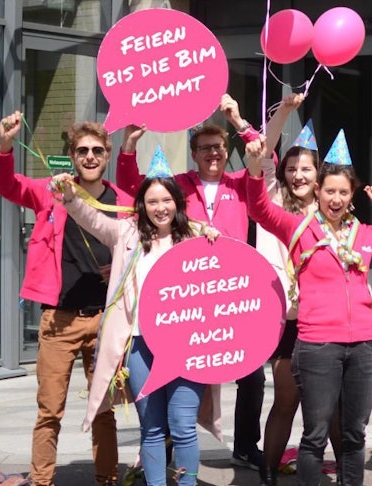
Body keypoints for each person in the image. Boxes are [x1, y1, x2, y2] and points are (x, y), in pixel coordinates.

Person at [244, 130, 372, 486]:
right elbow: (259, 208)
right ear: (318, 192)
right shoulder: (298, 227)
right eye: (329, 191)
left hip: (364, 349)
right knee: (315, 435)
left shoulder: (366, 234)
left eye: (343, 192)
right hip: (318, 345)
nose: (335, 199)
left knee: (353, 436)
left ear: (352, 195)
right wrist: (254, 168)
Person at [116, 94, 268, 475]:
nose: (213, 154)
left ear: (227, 149)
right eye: (204, 148)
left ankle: (246, 447)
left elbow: (267, 160)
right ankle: (161, 455)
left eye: (218, 147)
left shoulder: (241, 183)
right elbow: (135, 188)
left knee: (251, 375)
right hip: (186, 304)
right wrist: (129, 149)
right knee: (170, 407)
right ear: (194, 153)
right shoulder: (179, 186)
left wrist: (237, 118)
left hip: (232, 297)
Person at [54, 160, 221, 486]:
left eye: (167, 200)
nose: (161, 208)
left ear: (178, 201)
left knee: (183, 423)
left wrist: (216, 240)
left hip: (186, 345)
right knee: (153, 425)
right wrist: (70, 197)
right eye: (152, 201)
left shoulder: (198, 235)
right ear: (142, 206)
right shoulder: (125, 233)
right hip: (140, 343)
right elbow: (92, 219)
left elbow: (224, 274)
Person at [0, 112, 126, 486]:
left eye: (96, 150)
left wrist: (117, 263)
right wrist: (5, 145)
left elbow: (141, 241)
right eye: (81, 150)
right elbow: (7, 185)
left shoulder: (122, 199)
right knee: (49, 410)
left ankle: (108, 479)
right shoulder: (52, 190)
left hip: (106, 320)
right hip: (59, 320)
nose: (89, 156)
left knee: (104, 410)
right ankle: (42, 481)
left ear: (106, 155)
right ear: (72, 155)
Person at [251, 95, 342, 486]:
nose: (299, 174)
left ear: (319, 175)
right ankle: (268, 473)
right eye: (292, 168)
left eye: (307, 168)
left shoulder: (334, 212)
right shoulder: (274, 203)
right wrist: (284, 112)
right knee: (287, 399)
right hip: (287, 319)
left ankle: (347, 475)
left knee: (332, 409)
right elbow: (262, 154)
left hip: (330, 320)